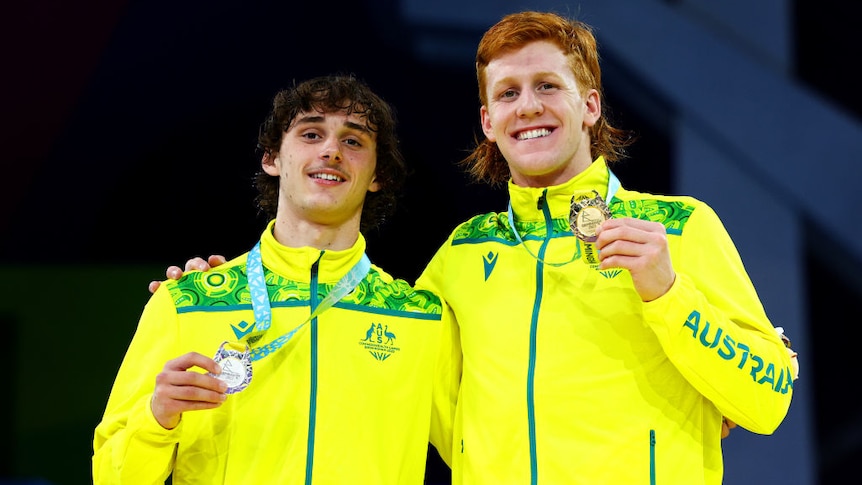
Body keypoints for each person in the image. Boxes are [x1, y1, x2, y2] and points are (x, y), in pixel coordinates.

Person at [153, 11, 798, 485]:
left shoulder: (679, 229)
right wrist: (231, 287)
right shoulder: (463, 256)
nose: (528, 107)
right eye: (508, 93)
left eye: (548, 86)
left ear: (590, 104)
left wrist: (669, 295)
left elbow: (767, 399)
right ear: (489, 122)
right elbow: (360, 343)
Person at [93, 74, 457, 484]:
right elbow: (110, 477)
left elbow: (480, 452)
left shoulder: (419, 320)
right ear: (272, 159)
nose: (331, 151)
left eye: (353, 141)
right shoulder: (185, 303)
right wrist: (156, 419)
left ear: (378, 176)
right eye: (311, 134)